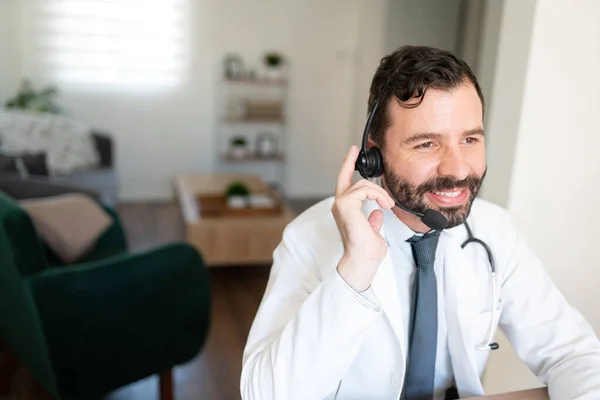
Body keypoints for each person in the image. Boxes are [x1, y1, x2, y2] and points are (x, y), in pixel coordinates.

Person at [240, 45, 600, 400]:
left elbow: (576, 355)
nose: (458, 169)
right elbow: (265, 394)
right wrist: (354, 272)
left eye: (470, 139)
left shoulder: (495, 232)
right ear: (373, 157)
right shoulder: (308, 237)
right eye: (427, 144)